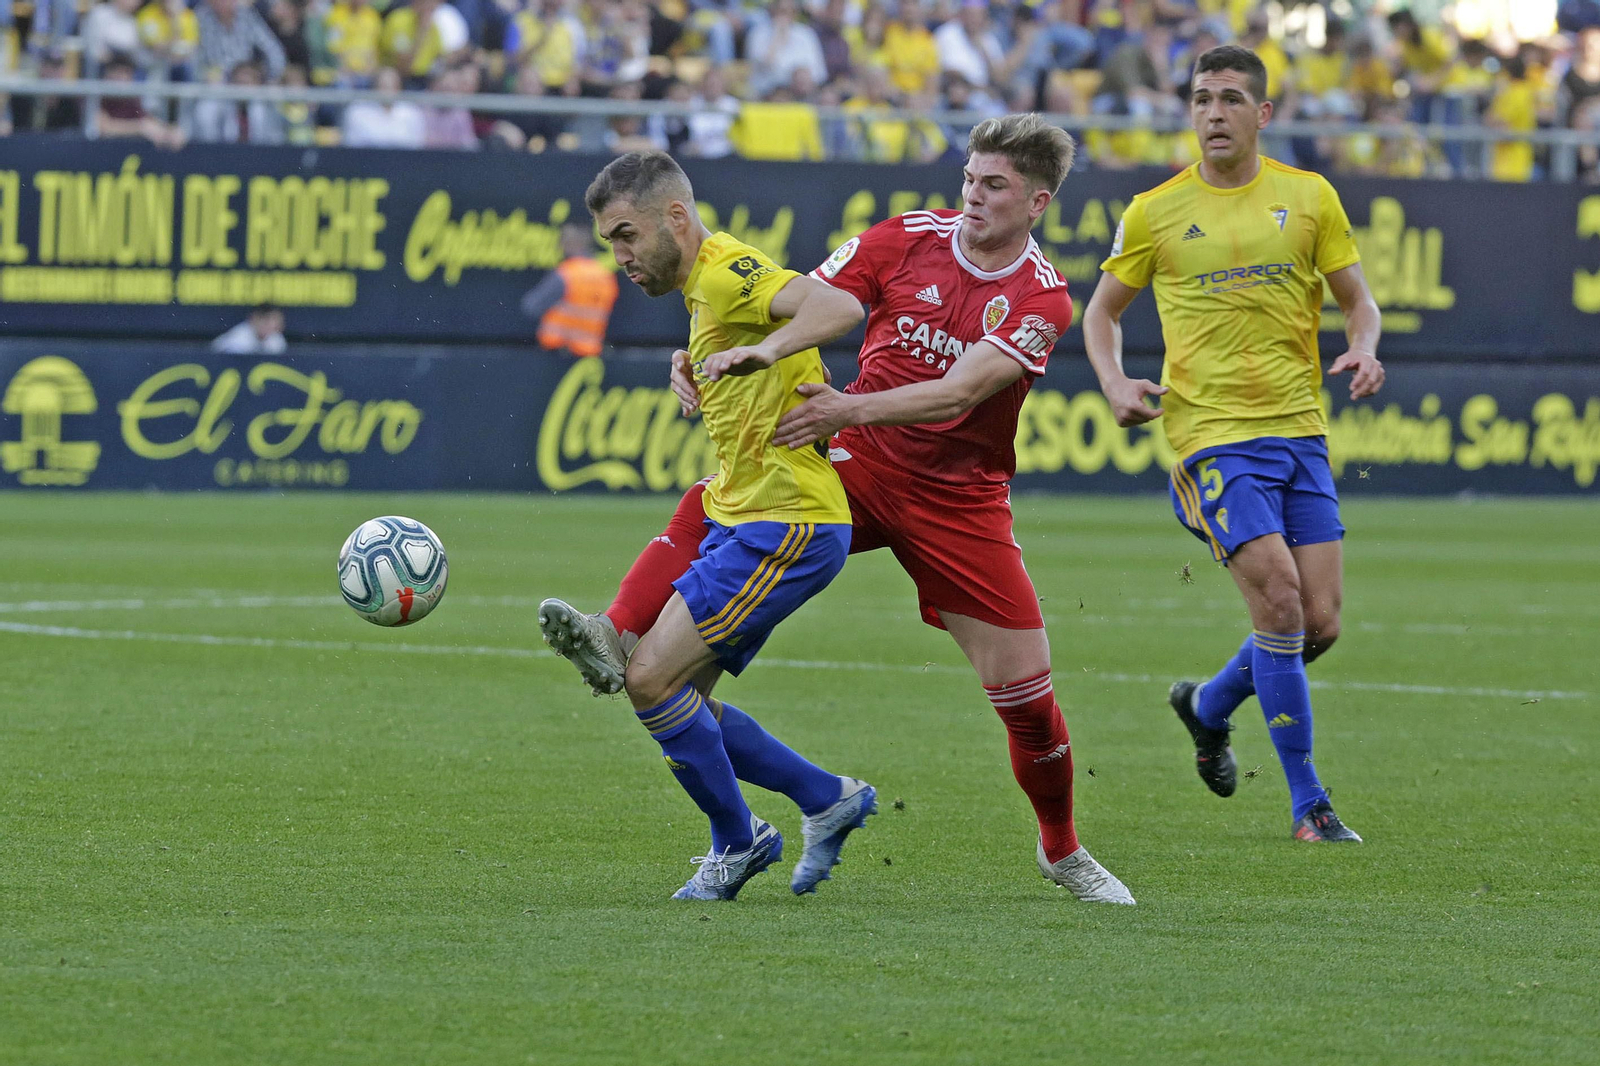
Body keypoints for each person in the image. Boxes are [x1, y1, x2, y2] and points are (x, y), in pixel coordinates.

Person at [540, 114, 1135, 905]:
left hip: (959, 499)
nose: (972, 196)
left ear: (1037, 202)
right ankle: (618, 636)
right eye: (969, 178)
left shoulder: (1042, 297)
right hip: (857, 465)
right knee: (710, 537)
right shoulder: (905, 238)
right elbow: (799, 306)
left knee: (1027, 701)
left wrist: (847, 408)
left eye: (994, 186)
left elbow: (959, 393)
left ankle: (1062, 849)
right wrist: (704, 352)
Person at [543, 151, 877, 901]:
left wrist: (767, 346)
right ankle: (827, 797)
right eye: (610, 243)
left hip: (786, 523)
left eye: (626, 236)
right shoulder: (704, 290)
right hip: (745, 512)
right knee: (677, 697)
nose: (620, 256)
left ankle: (739, 840)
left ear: (676, 217)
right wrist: (699, 359)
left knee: (649, 680)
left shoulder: (727, 273)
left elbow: (837, 309)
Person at [1081, 45, 1384, 844]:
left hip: (1299, 431)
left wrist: (1364, 347)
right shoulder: (1155, 211)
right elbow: (1101, 312)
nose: (1213, 112)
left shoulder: (1309, 197)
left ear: (1263, 113)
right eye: (1201, 98)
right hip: (1210, 437)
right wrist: (1114, 382)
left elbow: (1358, 301)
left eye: (1230, 98)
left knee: (1319, 624)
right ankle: (1310, 805)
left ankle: (1208, 705)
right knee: (1280, 600)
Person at [521, 221, 619, 358]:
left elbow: (531, 306)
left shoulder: (566, 273)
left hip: (558, 352)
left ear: (574, 243)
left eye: (564, 240)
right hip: (590, 352)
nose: (561, 245)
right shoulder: (605, 275)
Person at [212, 303, 286, 354]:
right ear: (255, 318)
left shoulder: (276, 338)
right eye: (267, 320)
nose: (272, 325)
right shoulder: (239, 338)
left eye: (276, 321)